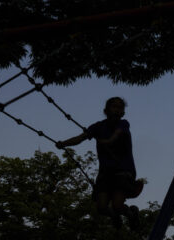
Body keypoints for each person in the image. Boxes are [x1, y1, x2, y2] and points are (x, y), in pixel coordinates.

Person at [56, 97, 141, 229]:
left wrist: (107, 141)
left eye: (120, 108)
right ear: (106, 110)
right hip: (106, 172)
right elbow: (80, 138)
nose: (117, 110)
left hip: (123, 170)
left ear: (123, 112)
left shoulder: (123, 124)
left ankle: (131, 214)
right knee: (101, 207)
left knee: (117, 206)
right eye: (114, 107)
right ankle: (114, 217)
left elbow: (117, 135)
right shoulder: (98, 127)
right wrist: (64, 144)